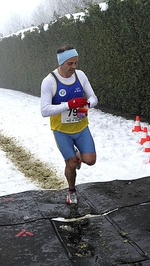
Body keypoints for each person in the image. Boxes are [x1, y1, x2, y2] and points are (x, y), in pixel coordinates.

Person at [40, 45, 98, 204]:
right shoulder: (49, 81)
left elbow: (94, 97)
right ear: (61, 63)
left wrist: (87, 103)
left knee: (91, 160)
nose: (73, 67)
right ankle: (71, 191)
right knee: (71, 164)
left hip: (81, 126)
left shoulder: (80, 76)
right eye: (70, 64)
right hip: (61, 130)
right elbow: (44, 110)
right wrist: (69, 104)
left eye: (75, 63)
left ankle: (79, 155)